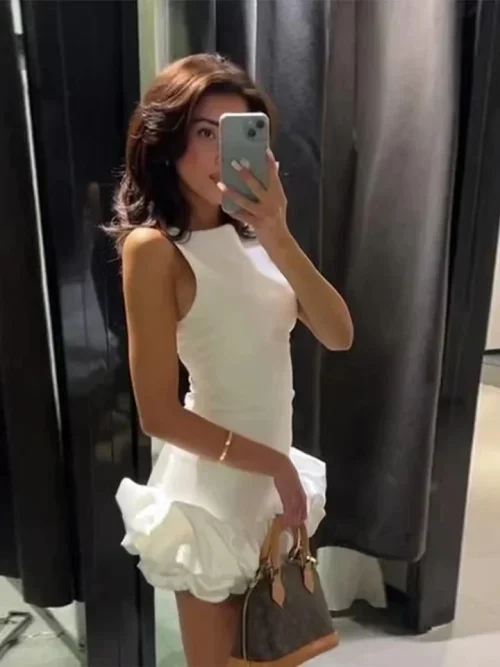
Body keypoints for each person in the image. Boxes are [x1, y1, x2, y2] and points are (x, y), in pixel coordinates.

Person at [110, 53, 353, 667]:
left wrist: (277, 231)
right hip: (215, 492)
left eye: (237, 132)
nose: (222, 151)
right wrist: (274, 464)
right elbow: (158, 414)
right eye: (204, 132)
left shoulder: (257, 236)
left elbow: (338, 334)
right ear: (168, 144)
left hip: (271, 485)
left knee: (275, 653)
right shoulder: (155, 250)